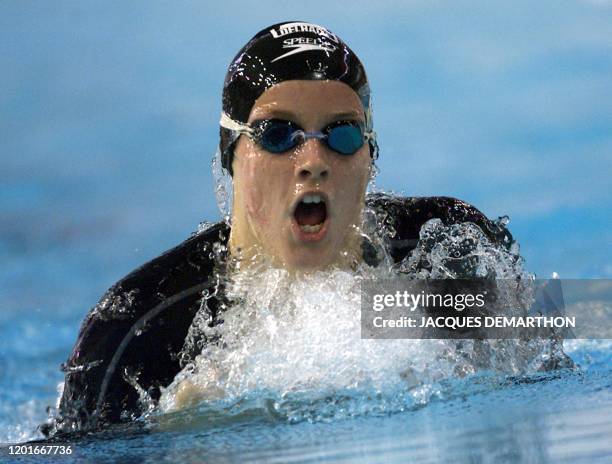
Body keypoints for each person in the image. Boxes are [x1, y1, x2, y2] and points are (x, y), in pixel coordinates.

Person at [42, 21, 513, 437]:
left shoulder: (439, 251)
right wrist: (170, 439)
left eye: (343, 135)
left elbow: (571, 337)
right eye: (277, 135)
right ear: (232, 155)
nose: (313, 162)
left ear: (370, 156)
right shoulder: (143, 326)